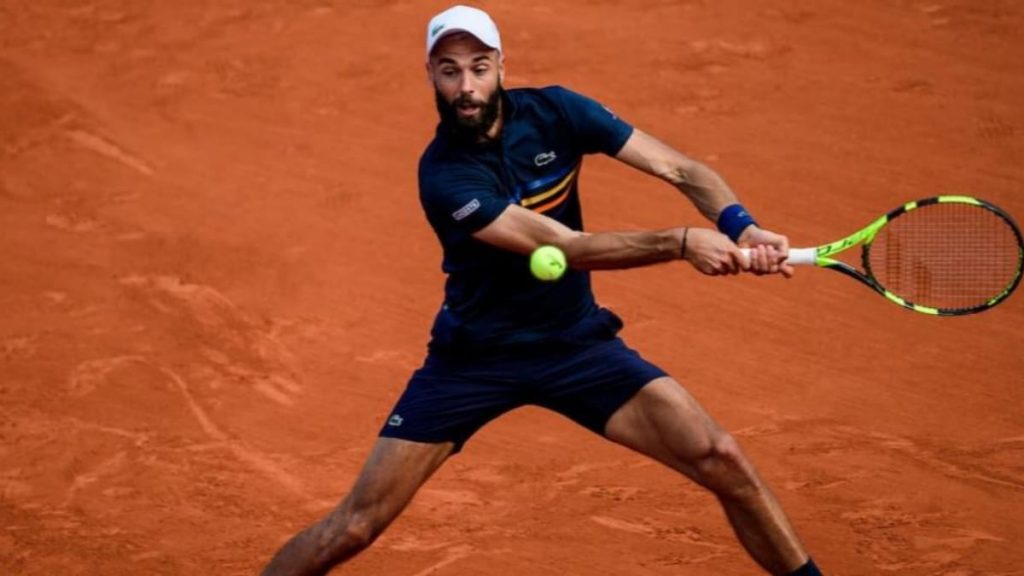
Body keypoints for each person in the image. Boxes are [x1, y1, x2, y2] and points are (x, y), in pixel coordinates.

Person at [262, 5, 824, 575]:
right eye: (450, 70)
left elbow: (679, 169)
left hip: (576, 346)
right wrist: (681, 242)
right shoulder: (445, 176)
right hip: (475, 360)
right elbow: (567, 247)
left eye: (479, 67)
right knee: (356, 524)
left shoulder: (557, 111)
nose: (466, 87)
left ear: (502, 66)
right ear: (430, 76)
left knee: (722, 457)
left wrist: (739, 224)